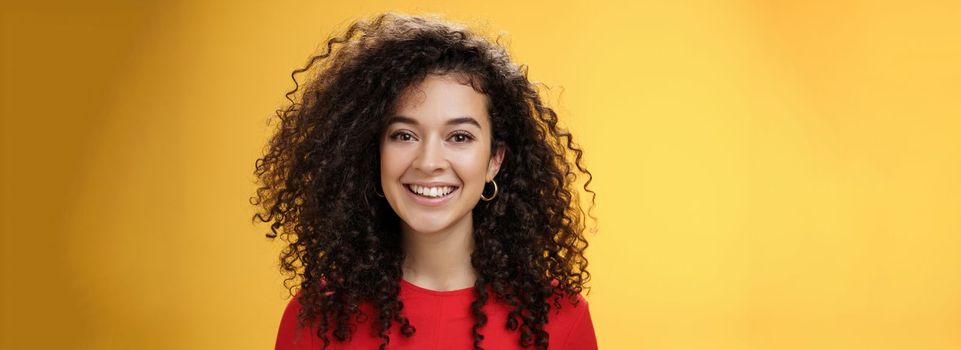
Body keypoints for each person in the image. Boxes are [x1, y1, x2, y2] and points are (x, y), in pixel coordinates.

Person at [251, 12, 596, 350]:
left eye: (459, 137)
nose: (429, 162)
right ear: (373, 152)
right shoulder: (317, 318)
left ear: (495, 160)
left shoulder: (561, 319)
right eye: (404, 135)